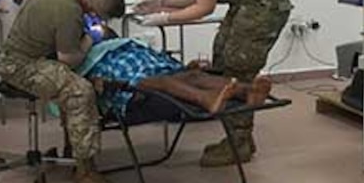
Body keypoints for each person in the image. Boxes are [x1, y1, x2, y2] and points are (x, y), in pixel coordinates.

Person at [138, 0, 292, 166]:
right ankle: (237, 134)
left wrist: (164, 19)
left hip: (264, 5)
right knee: (221, 58)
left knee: (238, 66)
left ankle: (238, 143)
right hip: (247, 3)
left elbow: (204, 7)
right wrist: (159, 2)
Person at [0, 0, 128, 183]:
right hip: (22, 65)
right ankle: (85, 174)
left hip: (18, 52)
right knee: (79, 90)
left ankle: (74, 148)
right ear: (92, 10)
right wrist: (92, 36)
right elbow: (68, 58)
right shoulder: (69, 10)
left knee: (76, 81)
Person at [78, 35, 274, 117]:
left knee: (194, 75)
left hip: (163, 71)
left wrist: (186, 67)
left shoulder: (130, 44)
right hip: (132, 90)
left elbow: (156, 58)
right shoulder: (91, 59)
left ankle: (248, 91)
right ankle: (207, 99)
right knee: (165, 82)